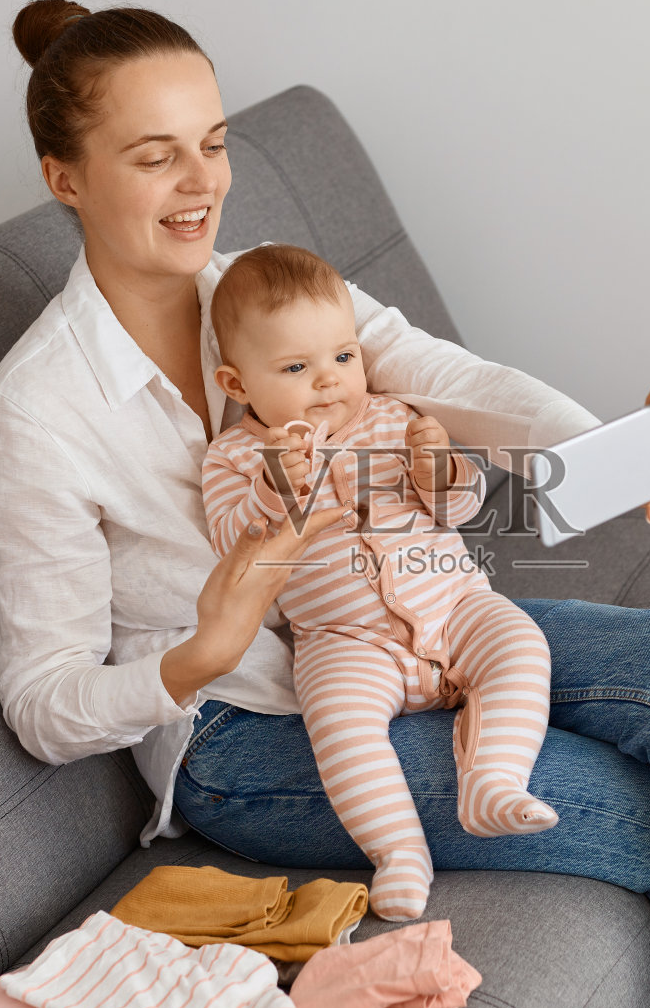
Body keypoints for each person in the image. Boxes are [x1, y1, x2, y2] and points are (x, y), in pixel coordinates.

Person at [0, 0, 650, 1008]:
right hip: (250, 734)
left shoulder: (264, 283)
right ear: (65, 178)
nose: (203, 184)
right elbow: (42, 704)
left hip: (419, 622)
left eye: (215, 143)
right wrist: (203, 651)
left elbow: (441, 374)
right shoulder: (34, 416)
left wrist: (625, 454)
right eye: (157, 157)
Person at [201, 243, 560, 921]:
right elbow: (233, 545)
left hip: (453, 606)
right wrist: (278, 491)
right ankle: (399, 851)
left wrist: (441, 471)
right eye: (296, 367)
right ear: (237, 383)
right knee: (339, 726)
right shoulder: (237, 459)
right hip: (345, 639)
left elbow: (459, 508)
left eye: (343, 356)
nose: (331, 380)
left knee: (522, 645)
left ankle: (491, 778)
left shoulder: (394, 419)